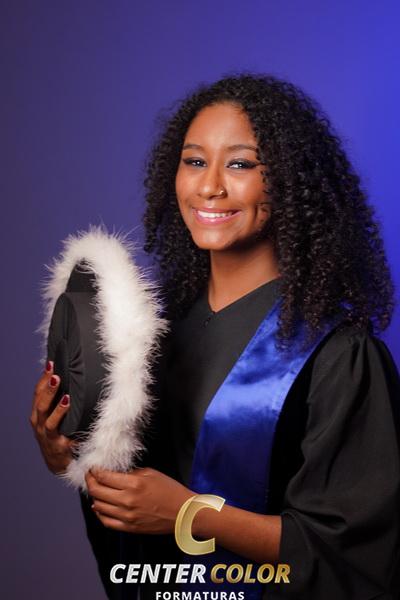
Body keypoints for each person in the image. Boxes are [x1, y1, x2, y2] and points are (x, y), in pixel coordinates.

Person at [30, 74, 400, 600]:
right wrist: (72, 458)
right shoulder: (151, 339)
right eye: (195, 161)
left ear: (290, 181)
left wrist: (190, 514)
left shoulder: (338, 355)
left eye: (241, 164)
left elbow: (360, 557)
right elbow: (131, 515)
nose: (210, 187)